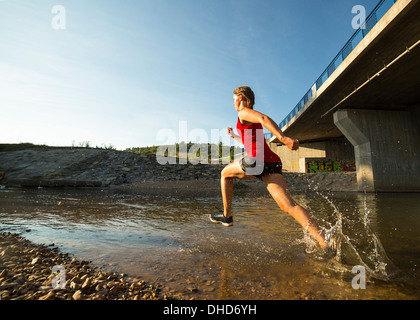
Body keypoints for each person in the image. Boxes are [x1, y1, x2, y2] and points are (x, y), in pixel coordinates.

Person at [210, 86, 330, 250]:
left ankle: (227, 216)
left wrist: (283, 138)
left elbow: (264, 118)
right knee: (289, 206)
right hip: (270, 162)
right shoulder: (248, 120)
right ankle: (324, 241)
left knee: (225, 173)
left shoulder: (243, 112)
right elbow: (250, 142)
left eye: (233, 99)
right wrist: (234, 136)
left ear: (242, 98)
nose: (233, 103)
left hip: (257, 161)